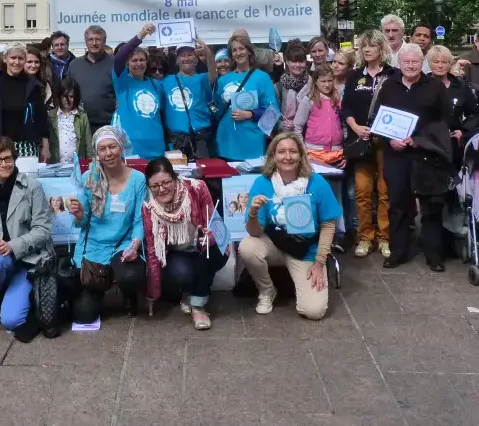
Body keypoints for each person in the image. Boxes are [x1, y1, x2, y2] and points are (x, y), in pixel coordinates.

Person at [239, 132, 341, 319]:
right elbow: (254, 232)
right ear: (273, 156)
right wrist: (252, 212)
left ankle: (318, 273)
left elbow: (328, 225)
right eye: (282, 152)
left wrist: (319, 262)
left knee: (314, 312)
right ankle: (267, 291)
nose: (287, 157)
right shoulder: (262, 183)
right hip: (275, 245)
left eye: (293, 151)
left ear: (301, 155)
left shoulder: (317, 183)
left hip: (306, 249)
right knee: (247, 246)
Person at [373, 43, 453, 270]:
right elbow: (378, 120)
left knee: (430, 206)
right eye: (406, 61)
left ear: (422, 63)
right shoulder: (389, 86)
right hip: (396, 155)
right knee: (397, 204)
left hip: (425, 154)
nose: (410, 65)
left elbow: (444, 121)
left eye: (415, 61)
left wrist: (416, 139)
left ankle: (434, 255)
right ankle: (398, 251)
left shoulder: (435, 86)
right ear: (399, 63)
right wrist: (391, 140)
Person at [67, 126, 146, 322]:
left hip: (123, 244)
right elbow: (82, 223)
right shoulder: (89, 178)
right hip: (94, 246)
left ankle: (128, 293)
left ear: (121, 148)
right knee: (84, 315)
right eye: (102, 149)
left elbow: (139, 220)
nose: (108, 153)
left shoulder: (138, 179)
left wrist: (135, 244)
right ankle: (99, 289)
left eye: (112, 147)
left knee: (131, 276)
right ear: (97, 153)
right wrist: (78, 214)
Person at [0, 137, 53, 332]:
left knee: (11, 321)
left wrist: (13, 245)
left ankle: (22, 294)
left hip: (30, 259)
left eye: (8, 158)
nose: (4, 164)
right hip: (1, 258)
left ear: (14, 158)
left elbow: (43, 230)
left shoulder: (32, 187)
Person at [141, 156, 226, 330]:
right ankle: (189, 290)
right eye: (155, 186)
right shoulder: (149, 207)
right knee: (182, 273)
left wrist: (212, 235)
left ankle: (198, 304)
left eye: (166, 182)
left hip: (202, 245)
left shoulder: (196, 188)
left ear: (175, 178)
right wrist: (152, 293)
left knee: (217, 253)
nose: (162, 189)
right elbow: (152, 250)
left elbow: (214, 222)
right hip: (177, 253)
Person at [342, 29, 394, 259]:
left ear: (381, 49)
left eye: (372, 45)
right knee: (362, 192)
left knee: (385, 193)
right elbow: (346, 107)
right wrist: (355, 127)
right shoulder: (354, 76)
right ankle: (365, 237)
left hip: (385, 142)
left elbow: (398, 107)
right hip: (361, 140)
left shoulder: (394, 74)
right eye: (364, 46)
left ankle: (385, 237)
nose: (367, 49)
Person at [0, 41, 50, 161]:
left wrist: (45, 146)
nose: (16, 62)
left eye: (20, 58)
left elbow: (41, 118)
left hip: (27, 145)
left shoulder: (33, 86)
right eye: (13, 57)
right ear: (5, 58)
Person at [212, 34, 277, 161]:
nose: (238, 53)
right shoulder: (222, 80)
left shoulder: (262, 77)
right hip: (226, 144)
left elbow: (273, 111)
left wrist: (250, 114)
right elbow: (216, 112)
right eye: (234, 50)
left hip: (252, 144)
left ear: (249, 51)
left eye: (241, 48)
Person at [112, 23, 166, 159]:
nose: (138, 63)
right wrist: (141, 35)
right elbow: (119, 58)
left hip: (156, 146)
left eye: (142, 60)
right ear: (127, 64)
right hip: (132, 148)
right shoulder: (122, 81)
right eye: (134, 60)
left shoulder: (156, 84)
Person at [162, 40, 214, 158]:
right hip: (176, 141)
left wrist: (208, 54)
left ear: (196, 58)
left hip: (200, 140)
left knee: (203, 175)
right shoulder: (166, 81)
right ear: (177, 59)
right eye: (182, 55)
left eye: (190, 54)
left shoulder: (202, 78)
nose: (186, 58)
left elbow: (213, 75)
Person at [294, 63, 344, 168]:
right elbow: (297, 126)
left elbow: (344, 126)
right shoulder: (309, 100)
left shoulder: (339, 100)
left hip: (337, 154)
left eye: (330, 81)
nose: (327, 85)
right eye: (323, 81)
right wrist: (304, 152)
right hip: (313, 153)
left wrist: (346, 152)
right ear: (316, 82)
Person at [69, 24, 116, 129]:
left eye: (98, 39)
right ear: (86, 42)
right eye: (90, 39)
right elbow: (68, 92)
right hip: (81, 123)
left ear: (104, 42)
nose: (94, 43)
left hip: (109, 124)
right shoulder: (74, 65)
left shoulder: (115, 63)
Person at [49, 76, 91, 163]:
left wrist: (91, 163)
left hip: (76, 166)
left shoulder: (82, 117)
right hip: (55, 166)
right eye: (64, 96)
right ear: (59, 96)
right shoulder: (50, 116)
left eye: (71, 96)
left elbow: (89, 145)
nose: (67, 100)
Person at [275, 42, 310, 133]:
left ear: (306, 62)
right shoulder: (278, 87)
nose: (297, 65)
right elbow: (271, 114)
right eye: (294, 61)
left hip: (308, 136)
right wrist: (282, 125)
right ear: (287, 62)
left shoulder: (312, 85)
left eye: (301, 61)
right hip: (285, 136)